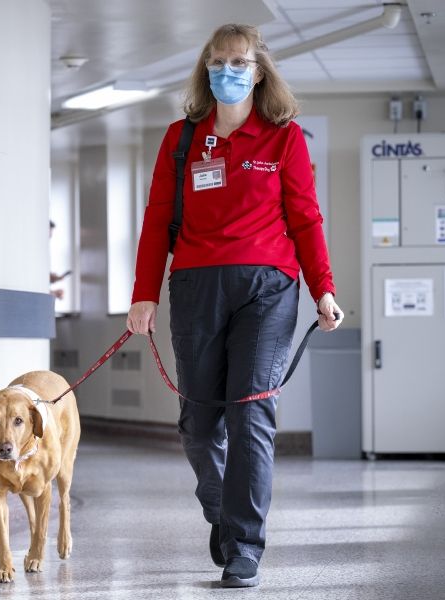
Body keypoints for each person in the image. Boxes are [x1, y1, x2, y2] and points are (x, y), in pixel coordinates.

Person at [126, 23, 342, 588]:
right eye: (218, 61)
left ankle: (244, 544)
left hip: (268, 288)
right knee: (200, 424)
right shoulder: (181, 139)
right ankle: (221, 509)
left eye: (239, 61)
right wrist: (143, 293)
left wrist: (323, 287)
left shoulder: (284, 139)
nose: (228, 70)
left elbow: (305, 219)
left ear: (259, 70)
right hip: (197, 286)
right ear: (206, 68)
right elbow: (155, 223)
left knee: (250, 410)